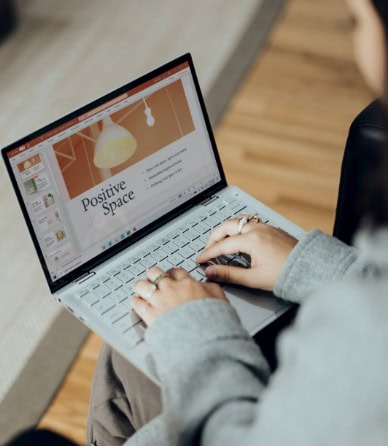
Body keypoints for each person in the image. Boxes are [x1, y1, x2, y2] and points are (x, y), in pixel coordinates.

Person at [87, 0, 388, 444]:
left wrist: (198, 328)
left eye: (357, 22)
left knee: (130, 351)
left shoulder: (358, 345)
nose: (358, 45)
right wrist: (306, 264)